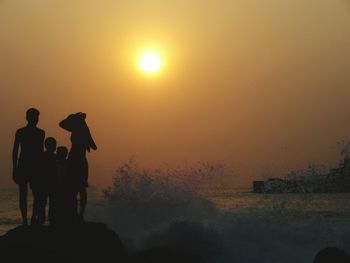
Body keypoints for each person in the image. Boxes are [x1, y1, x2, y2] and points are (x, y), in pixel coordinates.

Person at [59, 112, 97, 222]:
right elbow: (61, 124)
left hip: (77, 160)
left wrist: (84, 127)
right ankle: (78, 214)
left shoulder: (81, 130)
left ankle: (79, 214)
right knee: (76, 189)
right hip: (76, 160)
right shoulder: (78, 130)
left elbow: (94, 147)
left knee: (78, 189)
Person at [12, 108, 45, 225]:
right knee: (23, 193)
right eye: (33, 117)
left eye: (36, 117)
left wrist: (42, 168)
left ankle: (32, 218)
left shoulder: (41, 133)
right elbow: (15, 151)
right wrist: (14, 168)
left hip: (35, 166)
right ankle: (25, 219)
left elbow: (41, 151)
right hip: (23, 165)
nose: (35, 120)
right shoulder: (20, 132)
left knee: (37, 194)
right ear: (27, 118)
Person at [49, 146, 69, 225]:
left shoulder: (67, 165)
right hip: (56, 188)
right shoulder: (55, 164)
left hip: (63, 189)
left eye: (59, 153)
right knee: (55, 206)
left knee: (59, 206)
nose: (57, 154)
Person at [42, 137, 57, 225]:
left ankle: (44, 219)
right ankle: (49, 219)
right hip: (47, 183)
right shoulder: (55, 158)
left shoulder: (42, 156)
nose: (54, 147)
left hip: (48, 183)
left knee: (45, 202)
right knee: (49, 202)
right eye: (53, 145)